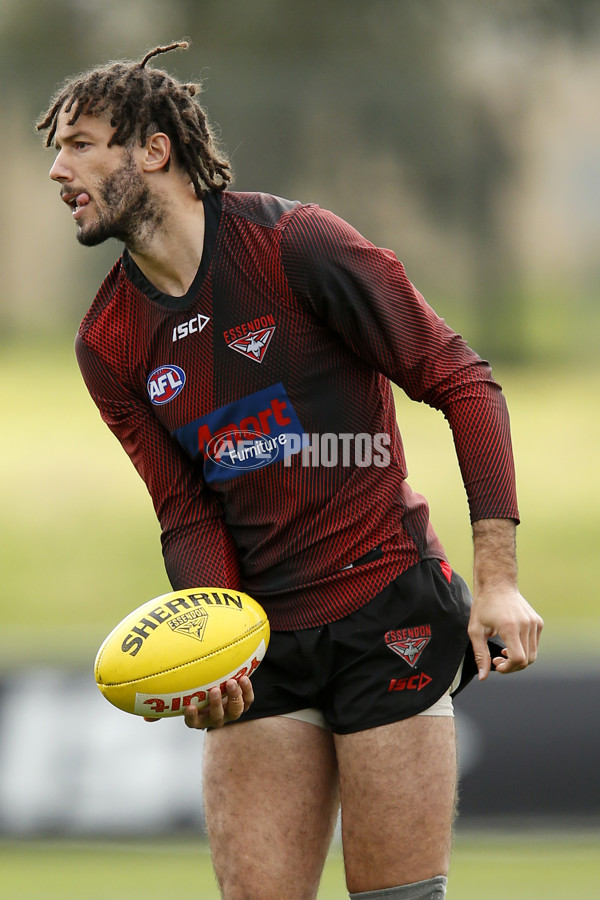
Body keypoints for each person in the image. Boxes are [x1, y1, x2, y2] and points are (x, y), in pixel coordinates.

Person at [38, 41, 543, 900]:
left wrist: (497, 580)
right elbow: (186, 510)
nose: (58, 168)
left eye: (81, 142)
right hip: (262, 638)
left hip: (387, 608)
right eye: (59, 148)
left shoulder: (294, 245)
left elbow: (461, 379)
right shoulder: (108, 342)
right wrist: (212, 649)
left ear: (153, 150)